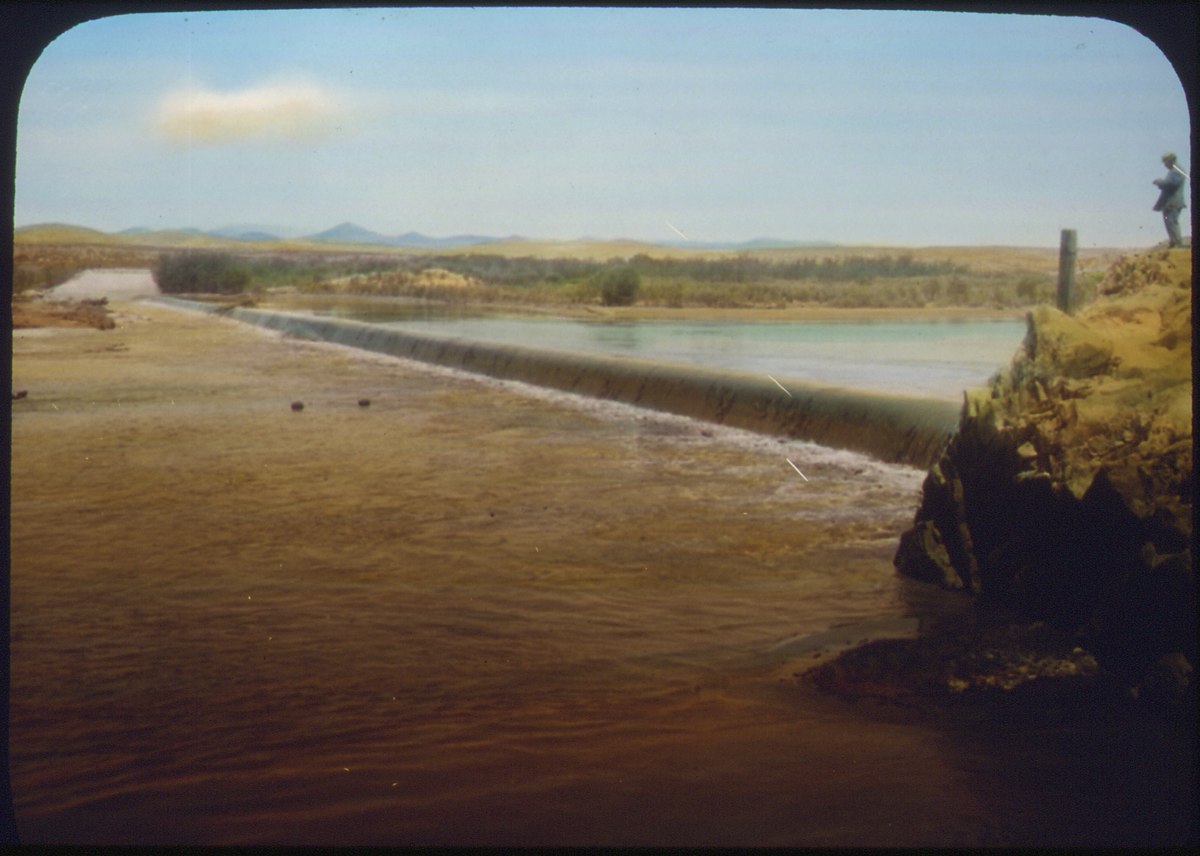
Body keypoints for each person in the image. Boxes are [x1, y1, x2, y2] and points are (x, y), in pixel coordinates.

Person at [1152, 152, 1187, 247]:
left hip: (1173, 202)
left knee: (1171, 221)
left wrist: (1160, 182)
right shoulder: (1175, 171)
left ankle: (1177, 243)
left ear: (1171, 161)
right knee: (1170, 221)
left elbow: (1172, 184)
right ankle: (1174, 242)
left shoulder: (1176, 171)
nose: (1165, 165)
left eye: (1165, 162)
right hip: (1172, 202)